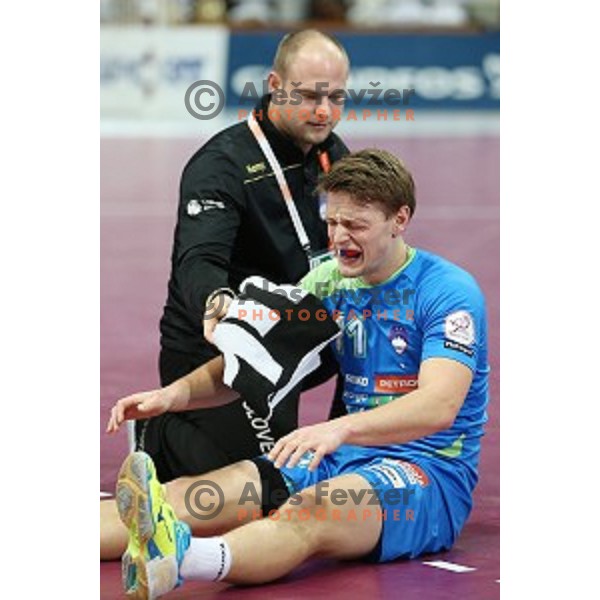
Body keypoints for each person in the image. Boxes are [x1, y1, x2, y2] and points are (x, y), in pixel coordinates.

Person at [107, 149, 490, 597]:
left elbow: (438, 406)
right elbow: (252, 362)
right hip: (342, 453)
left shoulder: (447, 291)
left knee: (312, 509)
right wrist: (174, 395)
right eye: (332, 223)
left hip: (427, 473)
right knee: (195, 494)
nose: (339, 237)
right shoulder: (327, 281)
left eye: (356, 226)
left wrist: (339, 429)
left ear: (399, 219)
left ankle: (179, 560)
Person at [100, 29, 350, 560]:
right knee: (261, 492)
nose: (324, 111)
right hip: (216, 349)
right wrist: (219, 308)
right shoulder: (221, 165)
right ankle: (162, 436)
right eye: (308, 96)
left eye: (336, 97)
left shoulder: (332, 156)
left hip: (292, 345)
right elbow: (200, 262)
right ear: (274, 85)